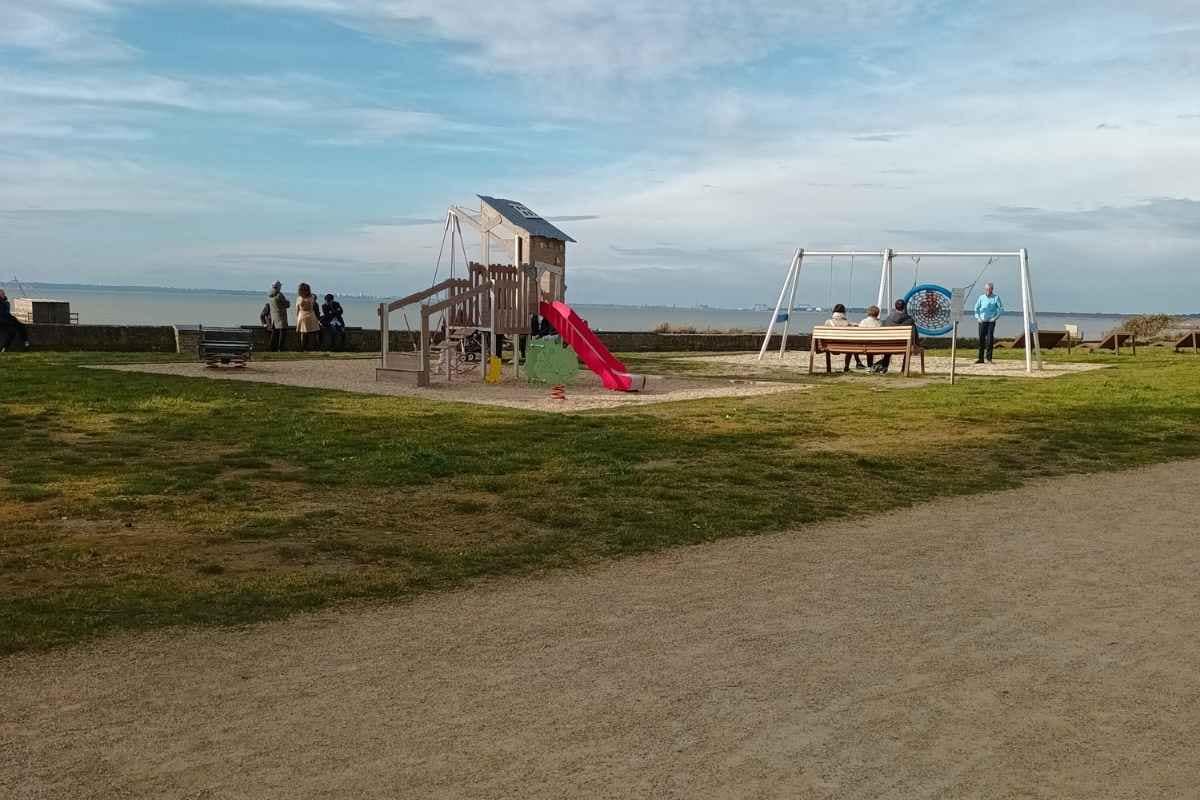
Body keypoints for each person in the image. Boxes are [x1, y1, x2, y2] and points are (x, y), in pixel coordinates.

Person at [875, 299, 916, 373]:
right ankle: (904, 370)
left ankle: (884, 367)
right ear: (904, 307)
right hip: (904, 345)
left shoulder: (888, 319)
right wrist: (916, 344)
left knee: (889, 346)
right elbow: (914, 333)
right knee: (908, 348)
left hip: (889, 344)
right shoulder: (909, 320)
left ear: (895, 307)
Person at [823, 303, 864, 372]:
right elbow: (855, 326)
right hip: (845, 347)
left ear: (834, 312)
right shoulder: (846, 323)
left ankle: (829, 369)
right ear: (844, 312)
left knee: (851, 344)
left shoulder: (828, 322)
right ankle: (847, 367)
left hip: (829, 347)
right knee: (851, 344)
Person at [974, 282, 1004, 364]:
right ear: (985, 289)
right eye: (986, 289)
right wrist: (978, 318)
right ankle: (980, 359)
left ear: (992, 289)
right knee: (981, 340)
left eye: (989, 289)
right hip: (982, 322)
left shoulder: (996, 298)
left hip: (991, 322)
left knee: (990, 340)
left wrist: (995, 318)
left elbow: (1001, 309)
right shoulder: (981, 297)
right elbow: (976, 309)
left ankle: (989, 359)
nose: (988, 290)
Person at [294, 282, 321, 351]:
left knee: (303, 333)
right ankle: (313, 348)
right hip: (311, 315)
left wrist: (297, 318)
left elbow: (297, 309)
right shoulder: (312, 297)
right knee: (313, 333)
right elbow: (313, 306)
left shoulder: (299, 298)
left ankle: (303, 347)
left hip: (302, 315)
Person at [858, 304, 882, 370]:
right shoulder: (880, 323)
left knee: (867, 343)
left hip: (864, 346)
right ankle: (872, 366)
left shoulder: (863, 322)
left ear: (868, 313)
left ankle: (863, 364)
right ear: (877, 313)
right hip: (877, 346)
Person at [267, 281, 290, 351]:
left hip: (274, 316)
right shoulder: (280, 295)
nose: (281, 287)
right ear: (278, 287)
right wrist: (288, 301)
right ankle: (280, 348)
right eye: (280, 286)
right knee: (283, 333)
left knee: (274, 333)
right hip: (281, 316)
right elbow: (287, 304)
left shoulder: (270, 295)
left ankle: (272, 347)